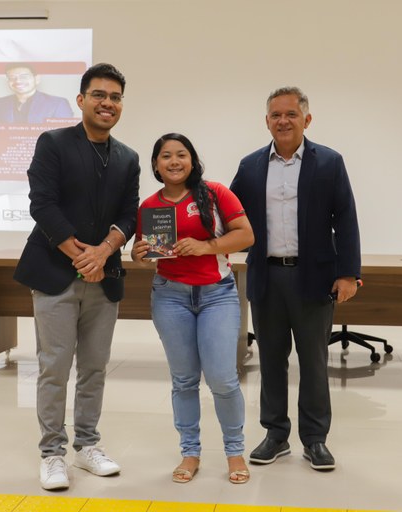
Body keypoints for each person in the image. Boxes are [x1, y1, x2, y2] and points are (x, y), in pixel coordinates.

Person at [13, 63, 140, 490]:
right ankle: (52, 453)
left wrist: (104, 251)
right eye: (100, 95)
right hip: (54, 274)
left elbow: (128, 213)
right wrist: (80, 255)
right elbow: (42, 203)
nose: (108, 103)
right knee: (54, 366)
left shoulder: (128, 157)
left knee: (94, 368)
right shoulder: (53, 143)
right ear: (82, 100)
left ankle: (87, 447)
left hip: (104, 277)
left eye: (116, 97)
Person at [229, 87, 361, 471]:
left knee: (314, 362)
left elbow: (346, 219)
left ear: (307, 118)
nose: (282, 121)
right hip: (266, 277)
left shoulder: (329, 162)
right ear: (266, 121)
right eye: (275, 115)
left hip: (314, 279)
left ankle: (316, 439)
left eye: (290, 114)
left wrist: (349, 273)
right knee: (271, 360)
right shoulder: (251, 165)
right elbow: (230, 215)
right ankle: (275, 435)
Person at [131, 133, 254, 484]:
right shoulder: (149, 206)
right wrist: (137, 256)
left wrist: (206, 247)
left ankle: (234, 452)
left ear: (192, 159)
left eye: (181, 154)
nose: (174, 161)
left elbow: (246, 235)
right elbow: (147, 254)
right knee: (184, 380)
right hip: (170, 297)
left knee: (222, 379)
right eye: (165, 155)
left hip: (218, 295)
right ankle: (190, 452)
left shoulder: (215, 193)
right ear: (155, 164)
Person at [0, 63, 74, 123]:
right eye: (12, 77)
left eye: (24, 77)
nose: (18, 81)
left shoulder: (58, 104)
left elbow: (65, 136)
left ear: (37, 79)